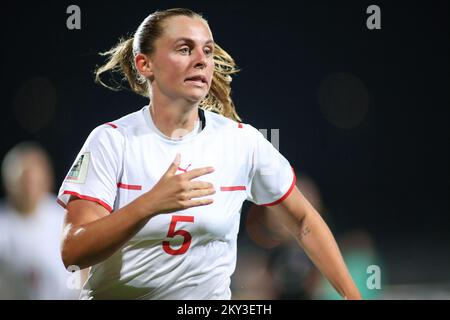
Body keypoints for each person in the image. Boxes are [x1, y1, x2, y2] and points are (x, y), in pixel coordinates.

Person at [57, 8, 361, 300]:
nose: (202, 60)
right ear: (144, 64)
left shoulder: (242, 142)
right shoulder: (111, 142)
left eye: (208, 51)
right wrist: (149, 204)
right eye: (185, 49)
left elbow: (304, 220)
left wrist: (351, 295)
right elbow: (73, 251)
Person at [0, 142, 81, 299]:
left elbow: (81, 265)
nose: (29, 188)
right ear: (9, 184)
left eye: (34, 180)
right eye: (24, 181)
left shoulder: (64, 217)